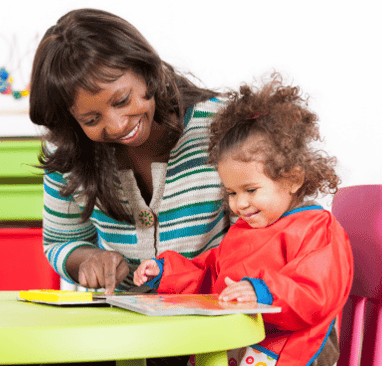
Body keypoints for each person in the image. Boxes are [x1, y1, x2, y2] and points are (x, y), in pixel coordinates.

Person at [134, 74, 354, 366]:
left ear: (293, 178)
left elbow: (315, 291)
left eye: (250, 190)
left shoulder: (317, 228)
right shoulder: (243, 231)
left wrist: (262, 292)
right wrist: (165, 271)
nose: (239, 204)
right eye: (231, 193)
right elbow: (211, 276)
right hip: (242, 343)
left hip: (295, 349)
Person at [29, 8, 230, 296]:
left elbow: (261, 235)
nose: (117, 125)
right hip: (123, 330)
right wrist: (90, 259)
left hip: (216, 321)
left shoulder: (220, 127)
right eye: (92, 120)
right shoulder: (69, 153)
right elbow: (60, 242)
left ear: (146, 70)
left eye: (122, 100)